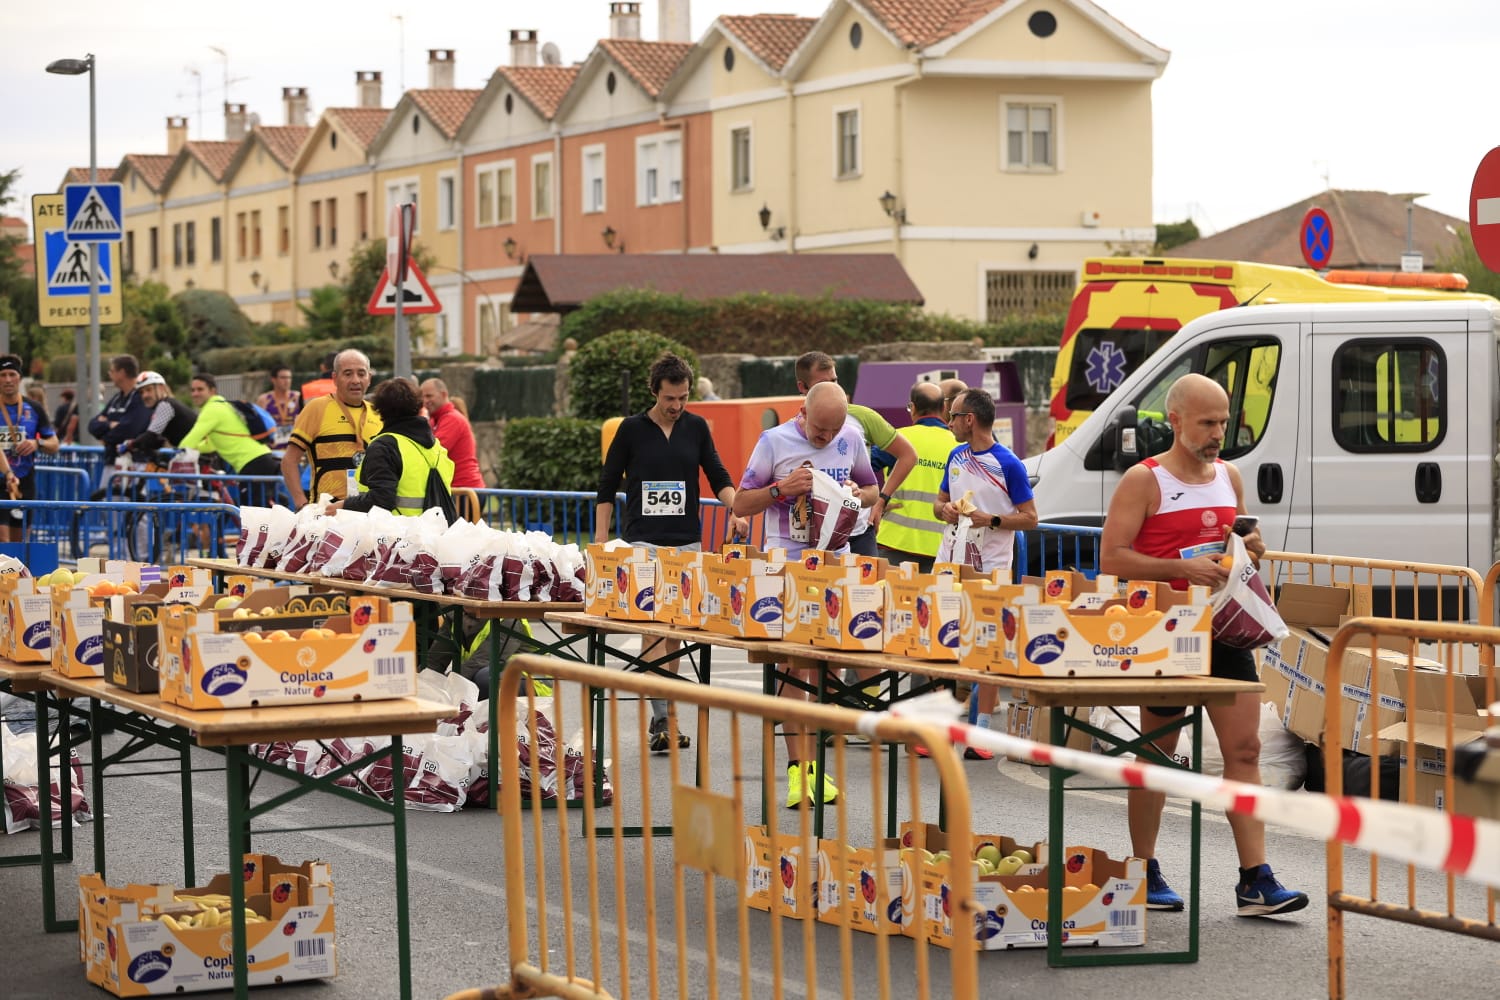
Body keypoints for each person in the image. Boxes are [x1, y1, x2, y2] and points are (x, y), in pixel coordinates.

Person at [1099, 372, 1308, 918]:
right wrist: (1180, 566)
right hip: (1164, 632)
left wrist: (1249, 548)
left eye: (1223, 422)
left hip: (1224, 630)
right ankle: (1143, 868)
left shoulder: (1229, 476)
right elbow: (1111, 557)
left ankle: (1255, 879)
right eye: (1207, 423)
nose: (1218, 433)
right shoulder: (1144, 480)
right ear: (1175, 421)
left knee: (1246, 750)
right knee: (1159, 753)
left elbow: (1236, 546)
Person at [733, 381, 877, 807]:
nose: (826, 438)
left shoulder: (851, 436)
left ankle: (816, 766)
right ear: (804, 412)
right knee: (794, 667)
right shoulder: (773, 441)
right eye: (819, 431)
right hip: (789, 566)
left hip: (835, 562)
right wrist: (781, 490)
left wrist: (858, 495)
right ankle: (799, 770)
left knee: (828, 666)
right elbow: (741, 504)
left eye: (833, 432)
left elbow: (872, 488)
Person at [595, 353, 749, 753]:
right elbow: (607, 486)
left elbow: (717, 474)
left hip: (686, 540)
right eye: (669, 398)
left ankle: (665, 715)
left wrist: (736, 509)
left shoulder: (695, 428)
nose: (676, 406)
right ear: (654, 392)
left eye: (682, 398)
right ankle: (663, 716)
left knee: (675, 632)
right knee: (652, 626)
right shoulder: (631, 429)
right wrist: (600, 543)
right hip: (643, 539)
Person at [931, 386, 1038, 757]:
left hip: (990, 567)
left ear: (970, 420)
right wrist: (944, 510)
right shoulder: (955, 455)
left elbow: (1030, 518)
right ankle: (940, 729)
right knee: (939, 641)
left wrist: (990, 519)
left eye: (953, 417)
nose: (949, 423)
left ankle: (982, 734)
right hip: (950, 560)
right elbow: (939, 502)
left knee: (987, 648)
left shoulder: (1009, 464)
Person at [793, 352, 916, 557]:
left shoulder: (862, 417)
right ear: (803, 387)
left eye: (835, 381)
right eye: (823, 384)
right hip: (814, 536)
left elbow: (908, 455)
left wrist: (881, 500)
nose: (834, 389)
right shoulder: (791, 429)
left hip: (859, 533)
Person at [340, 377, 455, 520]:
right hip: (436, 529)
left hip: (396, 531)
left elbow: (381, 500)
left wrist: (344, 505)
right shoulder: (436, 446)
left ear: (379, 410)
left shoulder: (384, 447)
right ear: (419, 406)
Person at [281, 349, 383, 508]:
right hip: (327, 514)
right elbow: (289, 461)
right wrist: (301, 503)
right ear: (335, 378)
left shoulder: (378, 414)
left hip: (367, 513)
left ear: (369, 378)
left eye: (361, 374)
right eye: (348, 374)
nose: (355, 380)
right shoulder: (317, 408)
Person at [875, 381, 953, 573]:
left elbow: (857, 467)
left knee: (891, 592)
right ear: (944, 408)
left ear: (913, 407)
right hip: (941, 547)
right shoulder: (959, 446)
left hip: (895, 542)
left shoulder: (897, 439)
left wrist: (877, 501)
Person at [178, 373, 284, 507]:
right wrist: (197, 449)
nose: (195, 394)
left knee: (252, 511)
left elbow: (188, 443)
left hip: (253, 463)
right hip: (263, 459)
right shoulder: (224, 405)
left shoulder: (212, 409)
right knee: (264, 506)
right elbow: (211, 445)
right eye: (192, 390)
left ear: (212, 391)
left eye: (200, 389)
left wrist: (177, 452)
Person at [0, 354, 59, 542]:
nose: (7, 380)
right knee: (2, 539)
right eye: (3, 375)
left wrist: (37, 443)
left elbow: (54, 444)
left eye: (12, 374)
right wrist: (8, 473)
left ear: (19, 378)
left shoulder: (34, 408)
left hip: (24, 481)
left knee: (19, 542)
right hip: (4, 478)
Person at [420, 378, 484, 489]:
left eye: (429, 396)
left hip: (464, 489)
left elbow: (432, 452)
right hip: (457, 489)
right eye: (422, 397)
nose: (425, 401)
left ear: (444, 394)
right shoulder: (435, 421)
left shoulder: (452, 419)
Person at [88, 354, 149, 459]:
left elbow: (129, 430)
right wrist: (110, 425)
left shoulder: (140, 397)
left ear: (122, 373)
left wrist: (105, 439)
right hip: (111, 459)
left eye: (112, 371)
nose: (109, 374)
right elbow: (92, 425)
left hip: (134, 462)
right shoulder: (116, 398)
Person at [128, 372, 198, 456]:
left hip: (200, 456)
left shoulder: (165, 405)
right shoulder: (168, 404)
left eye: (149, 390)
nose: (145, 395)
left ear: (161, 388)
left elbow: (151, 436)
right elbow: (157, 440)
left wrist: (129, 445)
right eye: (141, 392)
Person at [257, 364, 302, 446]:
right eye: (283, 377)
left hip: (293, 446)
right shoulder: (264, 399)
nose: (287, 381)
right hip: (272, 447)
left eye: (289, 377)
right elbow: (259, 425)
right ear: (273, 379)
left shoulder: (297, 397)